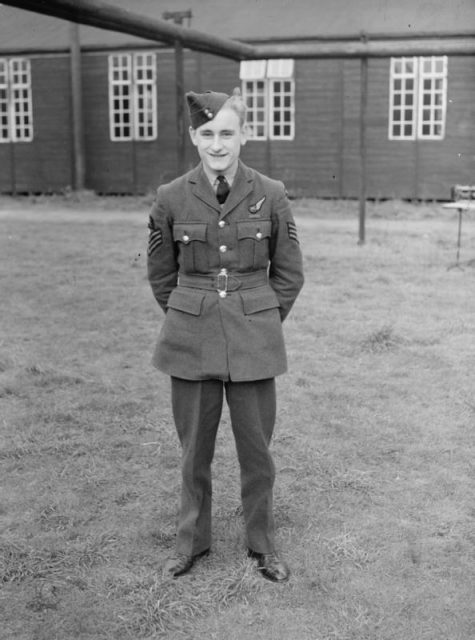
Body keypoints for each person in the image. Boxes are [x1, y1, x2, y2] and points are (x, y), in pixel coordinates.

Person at [147, 88, 304, 582]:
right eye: (208, 134)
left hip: (254, 336)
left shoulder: (271, 193)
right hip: (190, 336)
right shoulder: (170, 197)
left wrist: (258, 318)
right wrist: (189, 314)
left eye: (227, 133)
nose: (218, 144)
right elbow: (161, 275)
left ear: (245, 134)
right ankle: (191, 542)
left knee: (257, 450)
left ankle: (263, 543)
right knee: (194, 450)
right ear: (194, 136)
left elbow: (289, 272)